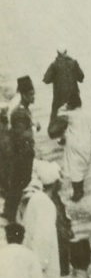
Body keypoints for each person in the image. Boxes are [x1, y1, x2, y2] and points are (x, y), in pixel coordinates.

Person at [4, 77, 35, 220]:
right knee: (19, 183)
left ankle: (11, 213)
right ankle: (10, 214)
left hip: (23, 153)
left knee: (18, 183)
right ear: (23, 95)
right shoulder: (20, 113)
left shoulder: (23, 110)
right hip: (22, 154)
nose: (33, 97)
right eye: (31, 94)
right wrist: (34, 128)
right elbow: (21, 136)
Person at [61, 101, 91, 202]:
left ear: (70, 105)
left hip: (74, 144)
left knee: (74, 168)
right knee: (81, 168)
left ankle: (77, 192)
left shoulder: (68, 115)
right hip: (86, 144)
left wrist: (65, 107)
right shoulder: (88, 114)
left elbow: (58, 115)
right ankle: (80, 189)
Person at [42, 51, 84, 125]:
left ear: (57, 53)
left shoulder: (54, 65)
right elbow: (81, 77)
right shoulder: (74, 63)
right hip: (74, 100)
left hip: (59, 101)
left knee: (55, 123)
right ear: (66, 52)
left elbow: (46, 80)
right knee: (77, 122)